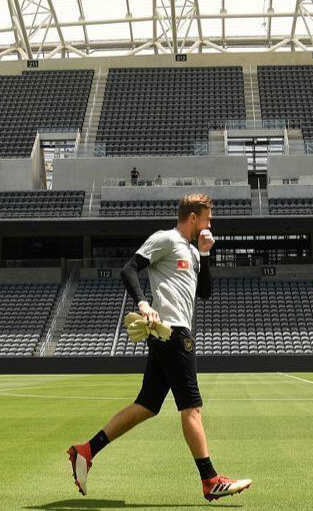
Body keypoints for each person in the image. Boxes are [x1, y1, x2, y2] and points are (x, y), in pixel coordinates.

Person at [67, 193, 251, 502]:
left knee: (147, 405)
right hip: (172, 334)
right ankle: (210, 480)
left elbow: (204, 293)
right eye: (207, 218)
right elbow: (128, 270)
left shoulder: (193, 252)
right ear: (193, 217)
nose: (210, 224)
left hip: (173, 331)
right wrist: (142, 303)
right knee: (191, 407)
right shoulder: (165, 239)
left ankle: (86, 451)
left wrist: (205, 255)